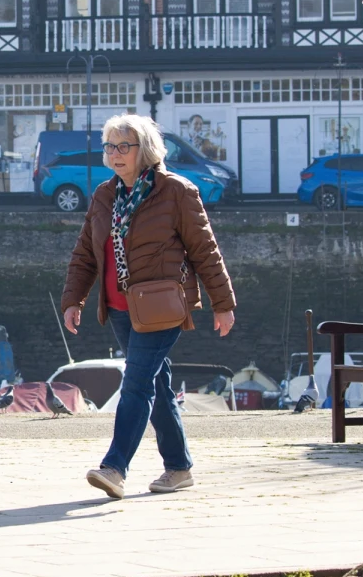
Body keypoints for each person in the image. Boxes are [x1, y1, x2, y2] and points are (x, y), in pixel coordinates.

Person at [61, 115, 236, 500]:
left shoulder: (176, 191)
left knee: (137, 383)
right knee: (155, 382)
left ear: (147, 149)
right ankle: (179, 467)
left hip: (161, 307)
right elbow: (85, 254)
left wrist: (222, 303)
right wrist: (74, 299)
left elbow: (205, 250)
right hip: (120, 309)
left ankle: (115, 467)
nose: (115, 154)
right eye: (109, 147)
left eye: (124, 146)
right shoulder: (105, 195)